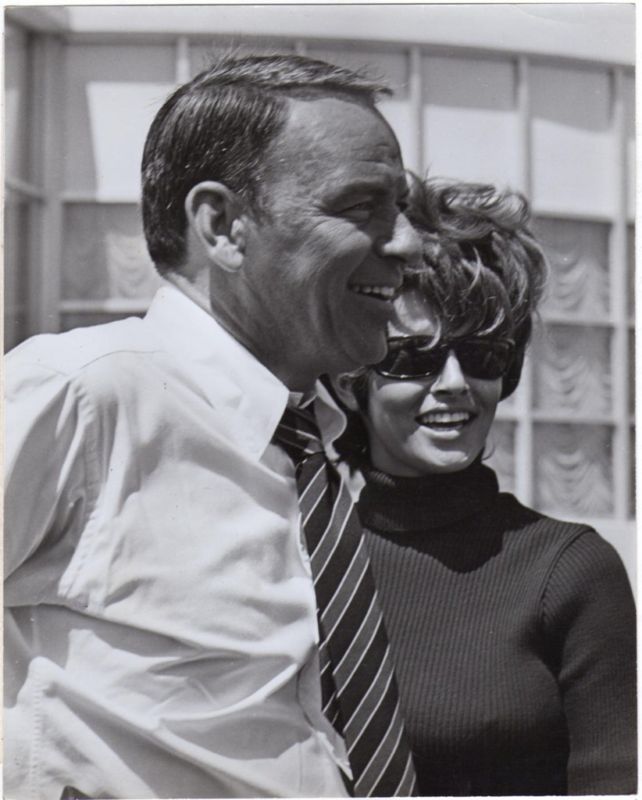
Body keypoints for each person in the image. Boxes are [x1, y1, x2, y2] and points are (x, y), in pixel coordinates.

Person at [4, 53, 421, 799]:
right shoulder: (83, 394)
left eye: (402, 206)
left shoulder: (315, 437)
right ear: (223, 226)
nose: (409, 242)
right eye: (362, 206)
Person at [331, 177, 637, 795]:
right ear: (349, 382)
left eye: (481, 354)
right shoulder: (305, 558)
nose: (453, 383)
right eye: (414, 357)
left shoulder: (570, 571)